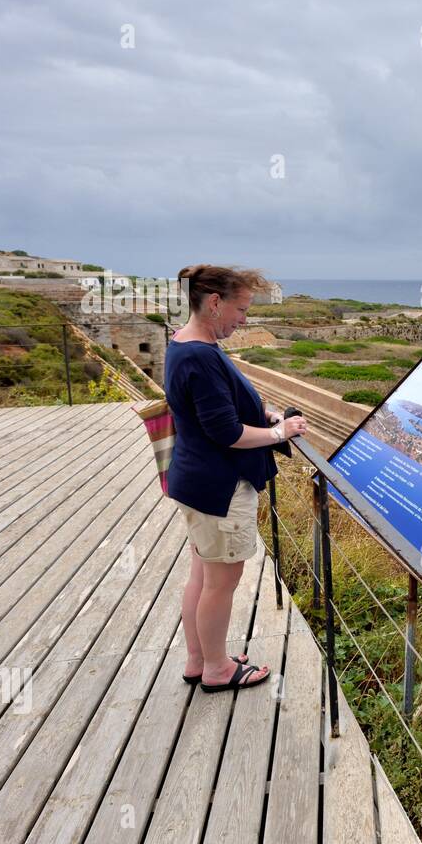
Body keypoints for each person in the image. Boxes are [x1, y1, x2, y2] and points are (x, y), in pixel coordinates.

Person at [163, 264, 309, 692]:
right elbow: (227, 433)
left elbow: (219, 409)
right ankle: (218, 670)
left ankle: (200, 659)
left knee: (203, 577)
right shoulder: (201, 356)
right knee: (221, 585)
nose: (244, 319)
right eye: (241, 309)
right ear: (214, 303)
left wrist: (264, 415)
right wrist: (280, 432)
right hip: (219, 490)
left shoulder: (184, 343)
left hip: (195, 482)